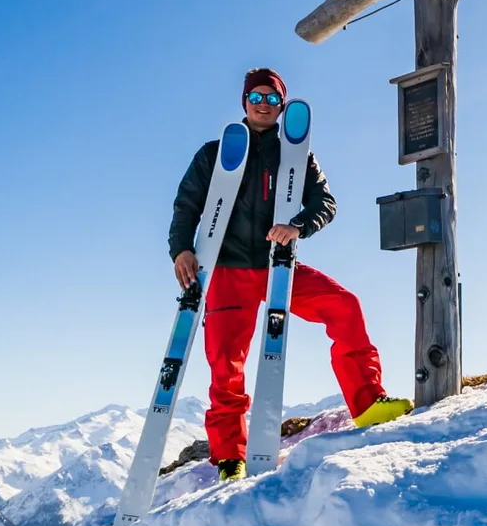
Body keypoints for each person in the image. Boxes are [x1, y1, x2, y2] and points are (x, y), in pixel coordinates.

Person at [171, 68, 412, 481]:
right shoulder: (214, 154)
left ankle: (368, 402)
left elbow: (326, 202)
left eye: (272, 99)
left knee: (344, 306)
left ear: (282, 106)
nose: (264, 105)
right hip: (228, 269)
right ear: (244, 102)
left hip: (279, 266)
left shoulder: (297, 157)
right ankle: (231, 456)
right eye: (257, 97)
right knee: (226, 361)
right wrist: (182, 250)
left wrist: (299, 225)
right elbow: (186, 205)